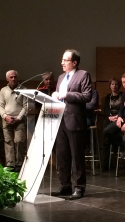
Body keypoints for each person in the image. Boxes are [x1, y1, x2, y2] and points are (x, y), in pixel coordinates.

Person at [51, 49, 92, 200]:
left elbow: (87, 96)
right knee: (62, 155)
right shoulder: (61, 77)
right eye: (62, 60)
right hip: (59, 119)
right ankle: (65, 185)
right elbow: (59, 96)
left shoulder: (83, 75)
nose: (62, 63)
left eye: (65, 60)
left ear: (74, 62)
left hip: (74, 120)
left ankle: (79, 187)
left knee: (76, 156)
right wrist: (54, 96)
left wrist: (65, 95)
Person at [0, 70, 27, 172]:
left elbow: (26, 106)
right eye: (11, 77)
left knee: (19, 141)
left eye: (15, 77)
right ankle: (10, 164)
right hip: (7, 119)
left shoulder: (24, 90)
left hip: (19, 120)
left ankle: (19, 164)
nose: (13, 79)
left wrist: (18, 118)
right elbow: (0, 106)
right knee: (8, 141)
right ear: (7, 79)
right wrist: (5, 116)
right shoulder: (3, 91)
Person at [101, 78, 123, 171]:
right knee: (106, 139)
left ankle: (104, 166)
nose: (114, 86)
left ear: (119, 86)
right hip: (109, 119)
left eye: (116, 84)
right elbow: (106, 109)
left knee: (106, 136)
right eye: (112, 84)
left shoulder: (123, 95)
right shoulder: (107, 97)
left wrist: (118, 116)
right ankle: (123, 145)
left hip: (120, 119)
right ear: (110, 86)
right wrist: (110, 116)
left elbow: (123, 108)